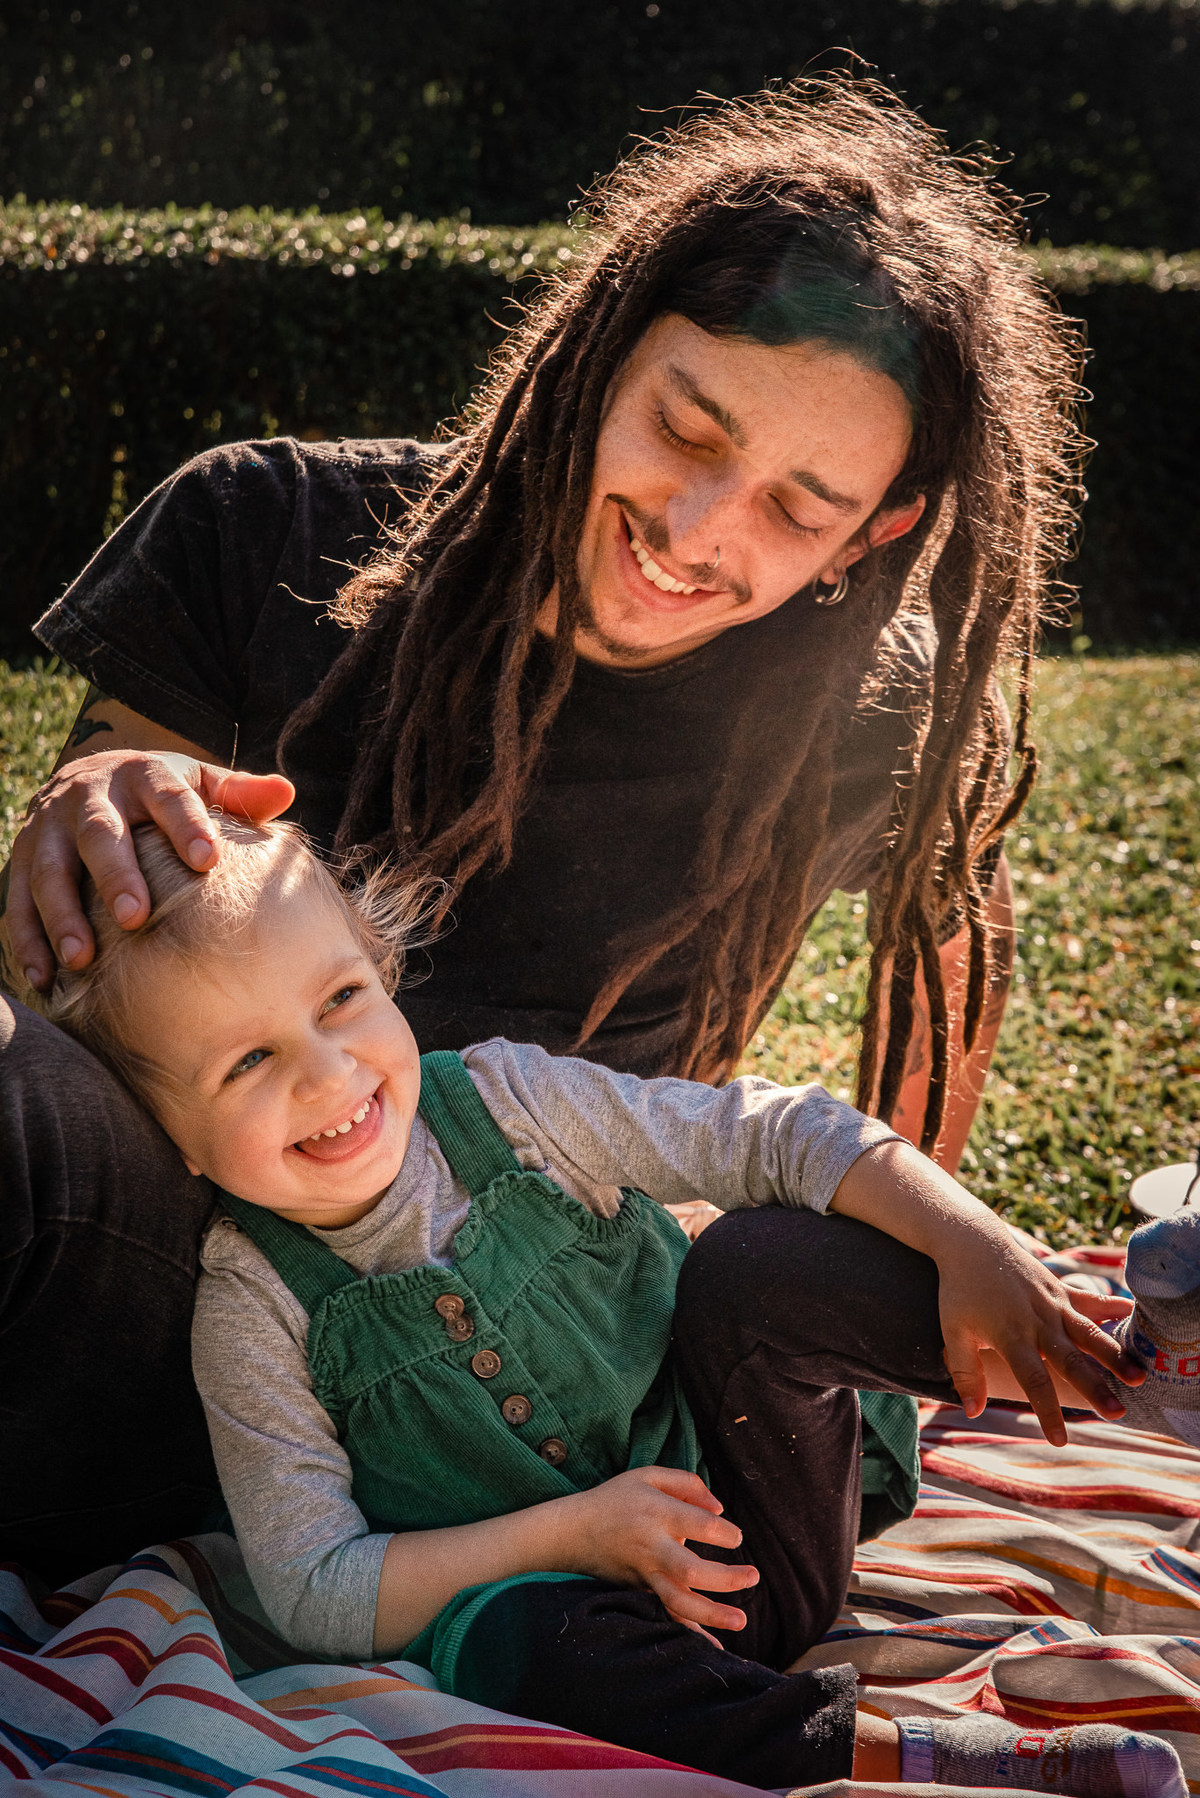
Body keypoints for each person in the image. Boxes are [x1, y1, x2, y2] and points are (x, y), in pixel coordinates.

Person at [1, 78, 1078, 1574]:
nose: (697, 531)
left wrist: (921, 1239)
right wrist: (74, 814)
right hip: (170, 1338)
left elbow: (953, 932)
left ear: (875, 530)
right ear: (600, 349)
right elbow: (62, 969)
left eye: (798, 507)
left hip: (522, 1409)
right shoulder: (255, 528)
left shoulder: (850, 720)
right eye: (685, 428)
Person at [41, 812, 1186, 1796]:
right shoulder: (251, 1307)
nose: (326, 1071)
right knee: (512, 1646)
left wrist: (969, 1236)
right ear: (171, 1141)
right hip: (599, 1630)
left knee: (751, 1261)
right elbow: (312, 1587)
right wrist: (573, 1533)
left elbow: (768, 1133)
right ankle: (944, 1756)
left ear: (378, 969)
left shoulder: (512, 1105)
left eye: (340, 997)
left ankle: (1116, 1368)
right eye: (245, 1063)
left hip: (758, 1507)